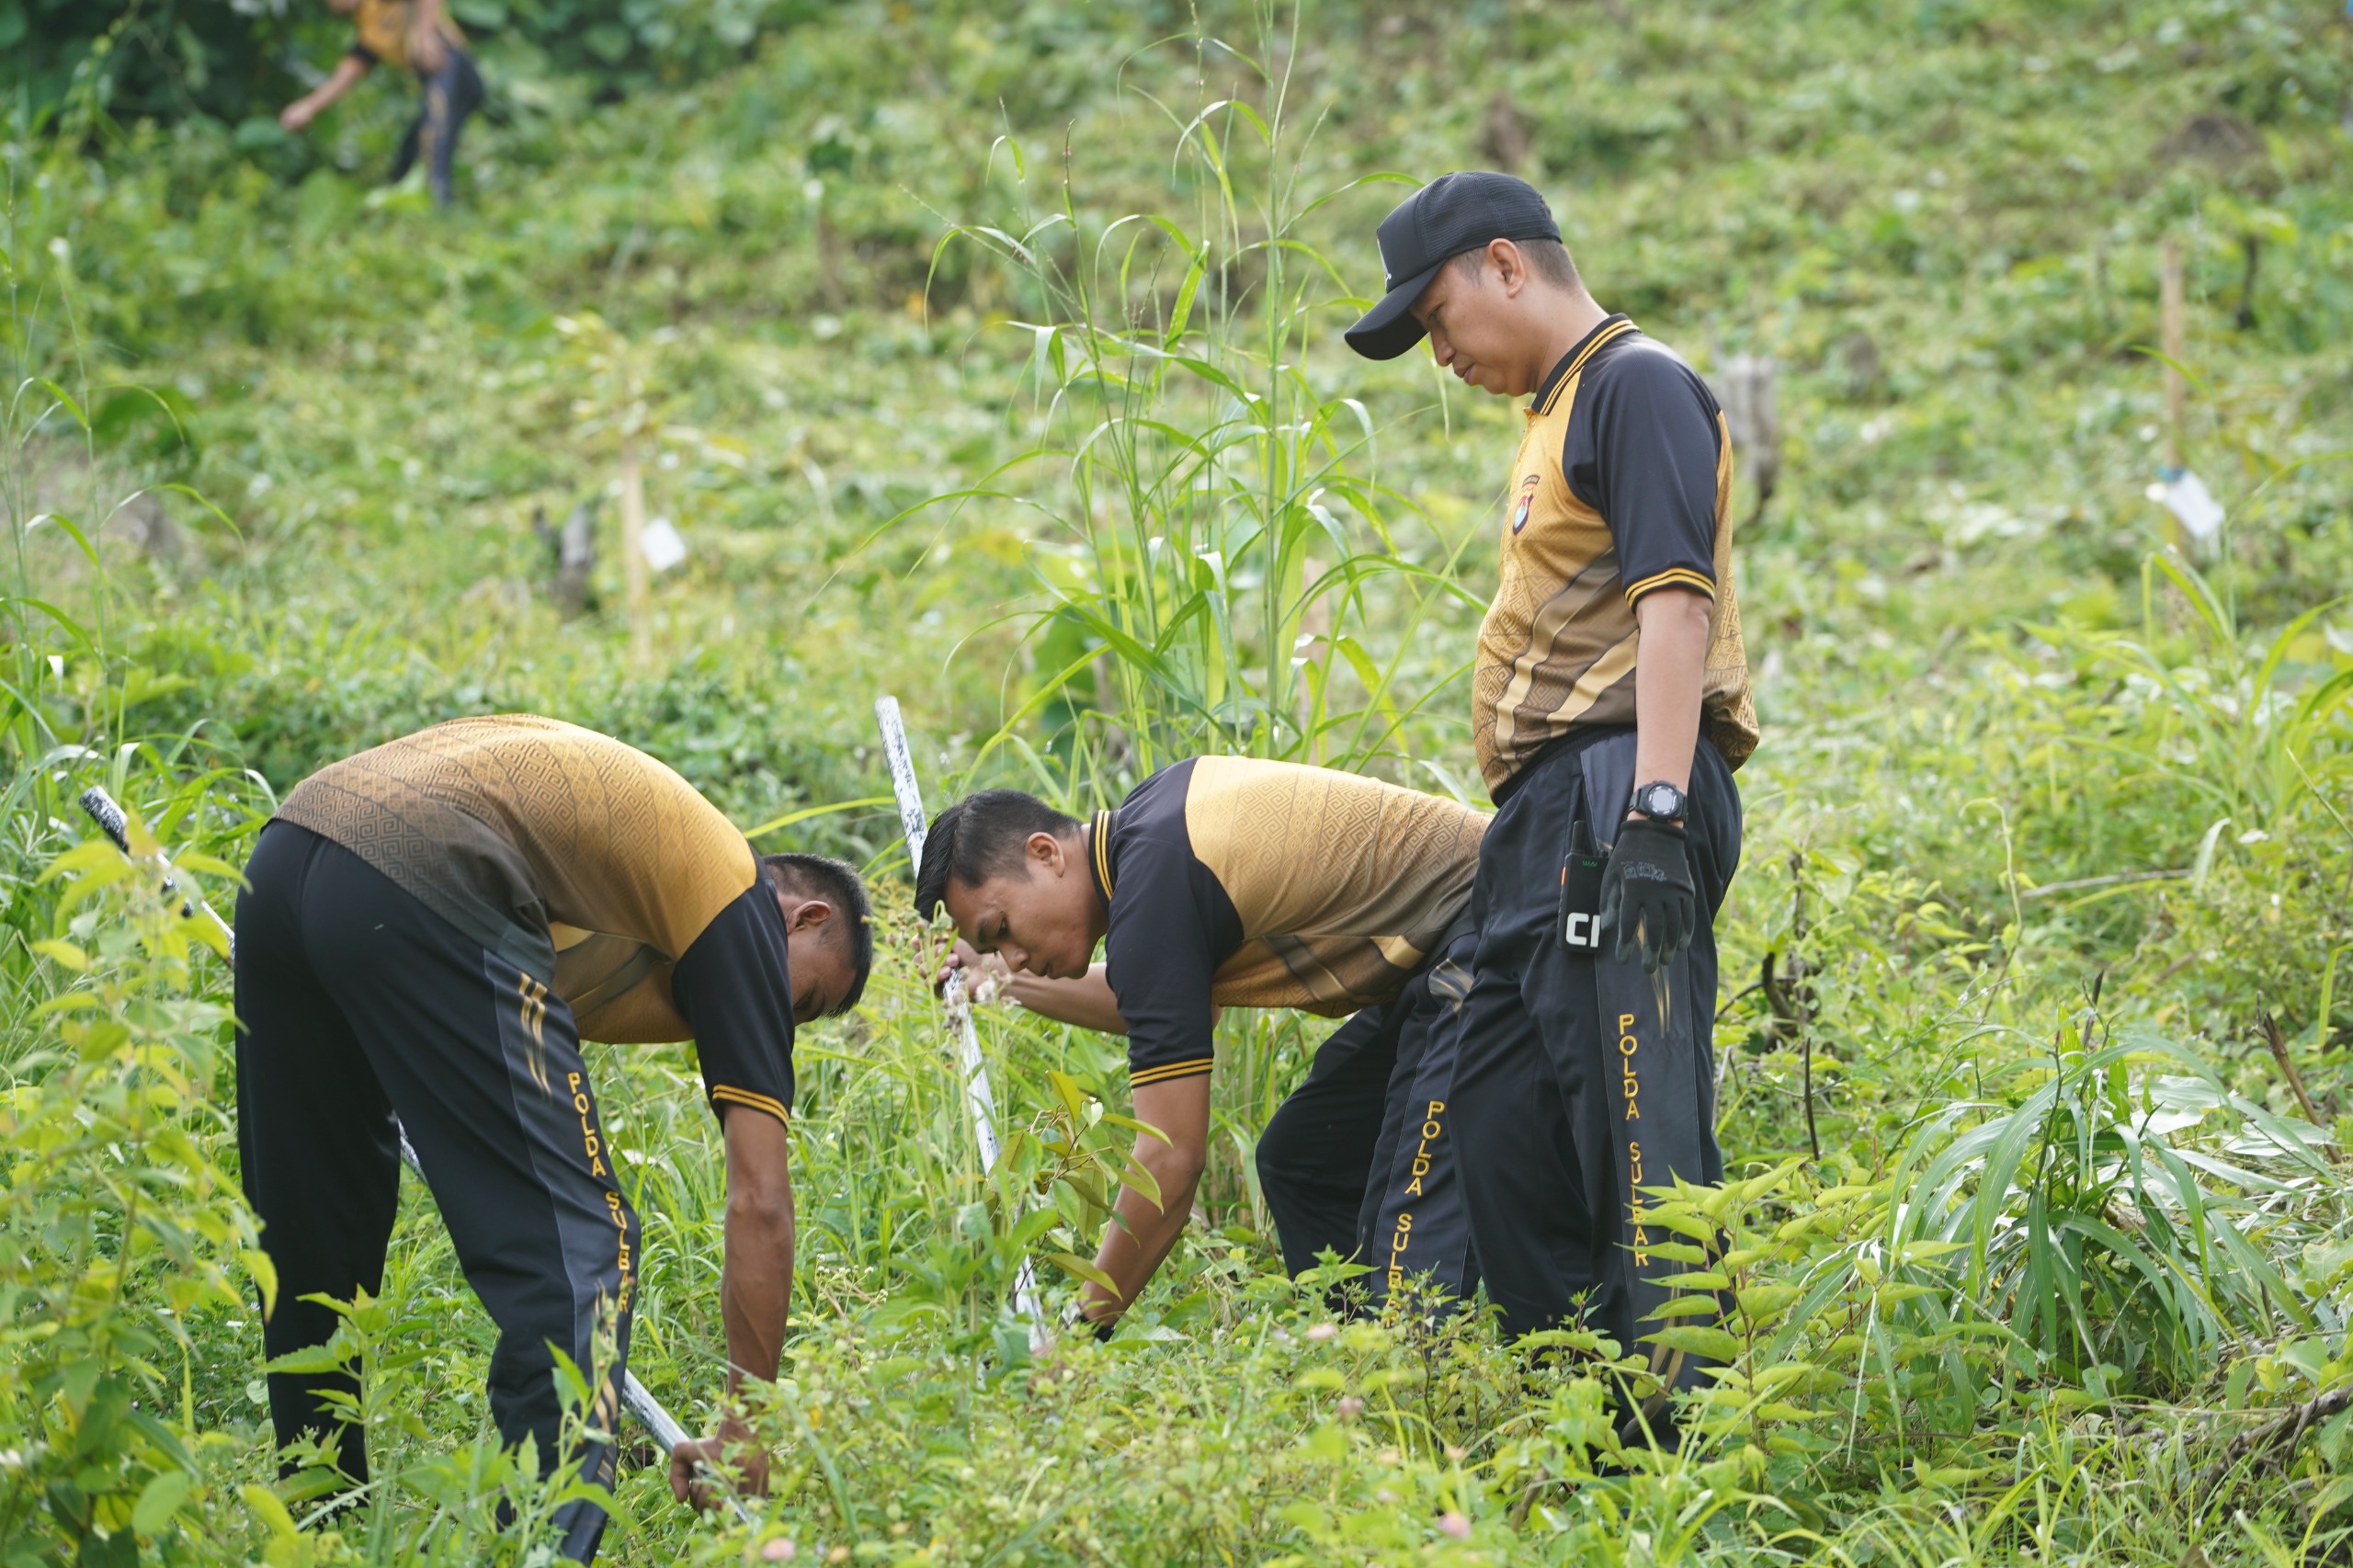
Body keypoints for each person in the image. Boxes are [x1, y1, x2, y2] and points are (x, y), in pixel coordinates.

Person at [235, 715, 873, 1562]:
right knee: (584, 1250)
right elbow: (761, 1200)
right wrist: (744, 1429)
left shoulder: (613, 915)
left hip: (291, 850)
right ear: (801, 918)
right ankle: (542, 1550)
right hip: (426, 863)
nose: (779, 1023)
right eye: (802, 1003)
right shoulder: (739, 902)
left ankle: (315, 1529)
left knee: (320, 1213)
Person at [1345, 172, 1759, 1443]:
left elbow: (1673, 602)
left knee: (1639, 1124)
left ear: (1507, 265)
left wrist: (1652, 805)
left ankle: (1682, 1445)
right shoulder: (1558, 406)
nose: (1442, 353)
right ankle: (1577, 1416)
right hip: (1546, 816)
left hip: (1615, 787)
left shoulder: (1635, 382)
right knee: (1500, 1117)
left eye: (1439, 319)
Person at [917, 758, 1488, 1335]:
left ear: (1045, 853)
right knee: (1305, 1159)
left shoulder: (1152, 890)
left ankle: (1409, 1376)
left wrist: (1077, 1331)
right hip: (1451, 944)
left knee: (1410, 1227)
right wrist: (998, 981)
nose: (1011, 955)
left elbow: (1170, 1159)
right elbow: (1168, 1003)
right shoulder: (1148, 834)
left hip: (1499, 923)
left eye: (1002, 930)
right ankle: (1355, 1362)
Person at [278, 0, 483, 209]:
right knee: (412, 148)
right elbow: (351, 69)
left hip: (451, 66)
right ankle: (400, 196)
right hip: (434, 79)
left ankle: (440, 210)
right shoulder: (369, 21)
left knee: (435, 140)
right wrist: (309, 106)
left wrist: (425, 33)